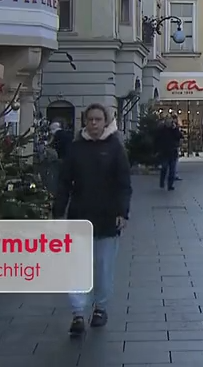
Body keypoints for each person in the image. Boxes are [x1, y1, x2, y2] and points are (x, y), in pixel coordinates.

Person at [53, 104, 132, 337]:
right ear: (85, 122)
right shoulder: (76, 148)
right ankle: (78, 312)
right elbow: (64, 182)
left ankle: (100, 307)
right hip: (80, 215)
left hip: (107, 217)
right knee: (78, 266)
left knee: (103, 267)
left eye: (98, 119)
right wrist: (58, 211)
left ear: (105, 122)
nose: (94, 123)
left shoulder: (115, 148)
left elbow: (124, 184)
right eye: (90, 119)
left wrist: (122, 212)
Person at [154, 119, 183, 190]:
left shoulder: (174, 130)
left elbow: (179, 136)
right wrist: (157, 150)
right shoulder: (161, 130)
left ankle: (170, 185)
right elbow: (157, 140)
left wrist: (175, 129)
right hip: (164, 152)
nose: (169, 124)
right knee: (164, 168)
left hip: (173, 152)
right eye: (168, 122)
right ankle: (162, 181)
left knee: (172, 170)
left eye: (170, 123)